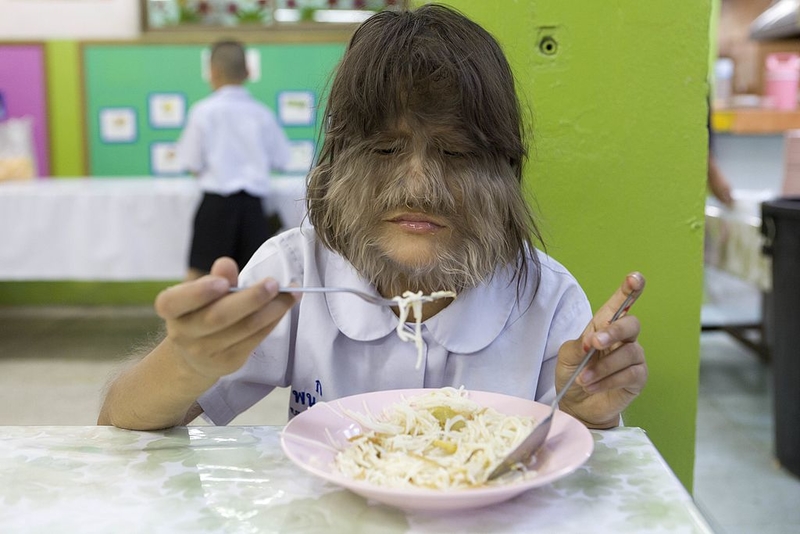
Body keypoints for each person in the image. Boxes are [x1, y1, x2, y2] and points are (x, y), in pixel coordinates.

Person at [98, 4, 646, 432]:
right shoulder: (295, 272)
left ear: (505, 170)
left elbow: (575, 470)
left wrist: (590, 414)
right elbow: (120, 422)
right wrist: (186, 361)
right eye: (385, 150)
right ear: (337, 158)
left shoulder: (545, 299)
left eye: (456, 153)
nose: (418, 186)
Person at [176, 39, 292, 281]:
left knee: (200, 277)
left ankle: (197, 320)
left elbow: (191, 162)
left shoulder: (203, 111)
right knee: (256, 280)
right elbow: (282, 159)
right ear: (248, 72)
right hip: (253, 208)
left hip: (215, 205)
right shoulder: (262, 114)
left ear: (212, 72)